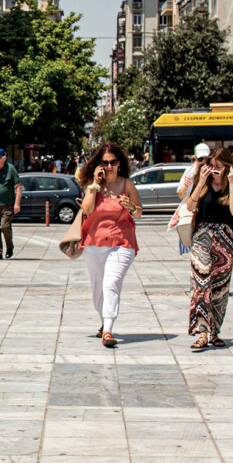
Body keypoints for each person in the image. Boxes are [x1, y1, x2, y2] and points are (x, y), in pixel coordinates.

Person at [77, 144, 141, 348]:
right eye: (105, 162)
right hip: (94, 242)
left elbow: (138, 211)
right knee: (98, 288)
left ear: (119, 163)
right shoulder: (92, 185)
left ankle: (108, 329)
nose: (109, 166)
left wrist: (131, 206)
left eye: (113, 162)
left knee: (111, 283)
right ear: (99, 165)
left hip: (122, 242)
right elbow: (86, 209)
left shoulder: (126, 184)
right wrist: (95, 184)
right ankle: (103, 320)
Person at [185, 146, 233, 350]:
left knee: (220, 288)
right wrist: (201, 180)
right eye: (211, 165)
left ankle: (215, 332)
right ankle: (201, 333)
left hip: (225, 239)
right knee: (200, 285)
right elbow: (190, 207)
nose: (214, 169)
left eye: (219, 166)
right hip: (202, 237)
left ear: (227, 167)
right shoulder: (202, 184)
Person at [0, 148, 21, 259]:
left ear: (4, 158)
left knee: (5, 226)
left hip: (6, 204)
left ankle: (9, 247)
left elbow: (18, 187)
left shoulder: (10, 169)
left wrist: (17, 204)